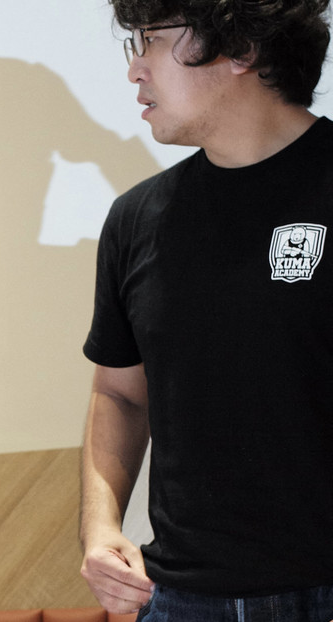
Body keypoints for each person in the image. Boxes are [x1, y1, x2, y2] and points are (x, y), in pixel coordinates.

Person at [79, 0, 333, 619]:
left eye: (151, 40)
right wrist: (100, 526)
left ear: (241, 47)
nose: (135, 69)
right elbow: (121, 393)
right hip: (178, 597)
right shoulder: (136, 220)